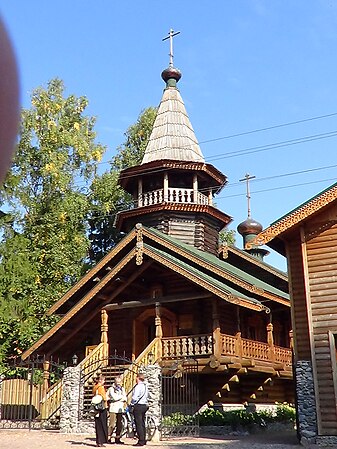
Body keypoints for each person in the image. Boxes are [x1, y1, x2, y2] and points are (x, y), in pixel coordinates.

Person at [107, 375, 127, 444]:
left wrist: (122, 398)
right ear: (115, 382)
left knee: (119, 424)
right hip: (113, 408)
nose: (119, 384)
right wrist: (121, 397)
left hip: (120, 408)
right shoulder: (111, 389)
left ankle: (118, 438)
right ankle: (108, 438)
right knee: (112, 424)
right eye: (117, 382)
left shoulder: (122, 389)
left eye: (120, 382)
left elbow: (125, 398)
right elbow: (114, 397)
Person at [130, 373, 149, 447]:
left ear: (138, 378)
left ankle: (141, 440)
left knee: (138, 424)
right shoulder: (145, 386)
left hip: (138, 406)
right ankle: (143, 439)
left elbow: (135, 397)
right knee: (142, 423)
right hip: (144, 405)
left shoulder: (138, 387)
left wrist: (132, 403)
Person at [92, 374, 108, 447]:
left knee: (97, 425)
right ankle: (101, 441)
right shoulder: (101, 387)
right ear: (101, 380)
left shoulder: (95, 387)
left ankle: (98, 441)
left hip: (96, 408)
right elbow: (104, 398)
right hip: (101, 408)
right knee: (102, 424)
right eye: (104, 380)